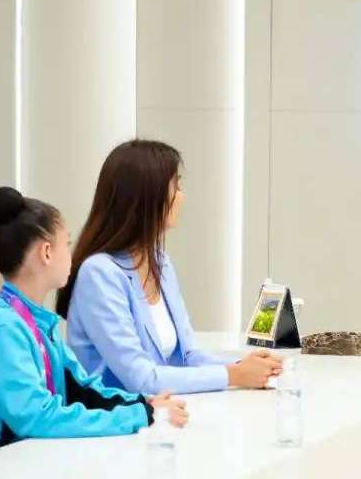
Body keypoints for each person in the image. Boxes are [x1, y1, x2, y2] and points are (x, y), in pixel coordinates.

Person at [0, 187, 188, 456]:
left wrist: (143, 404)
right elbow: (37, 417)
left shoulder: (36, 321)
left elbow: (81, 388)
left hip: (20, 461)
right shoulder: (5, 329)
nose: (71, 255)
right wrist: (140, 415)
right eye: (67, 244)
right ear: (47, 252)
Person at [58, 140, 281, 394]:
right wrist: (233, 375)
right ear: (147, 197)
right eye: (176, 186)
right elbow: (141, 378)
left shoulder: (159, 261)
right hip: (118, 422)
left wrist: (245, 366)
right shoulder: (99, 273)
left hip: (161, 414)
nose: (182, 196)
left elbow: (187, 356)